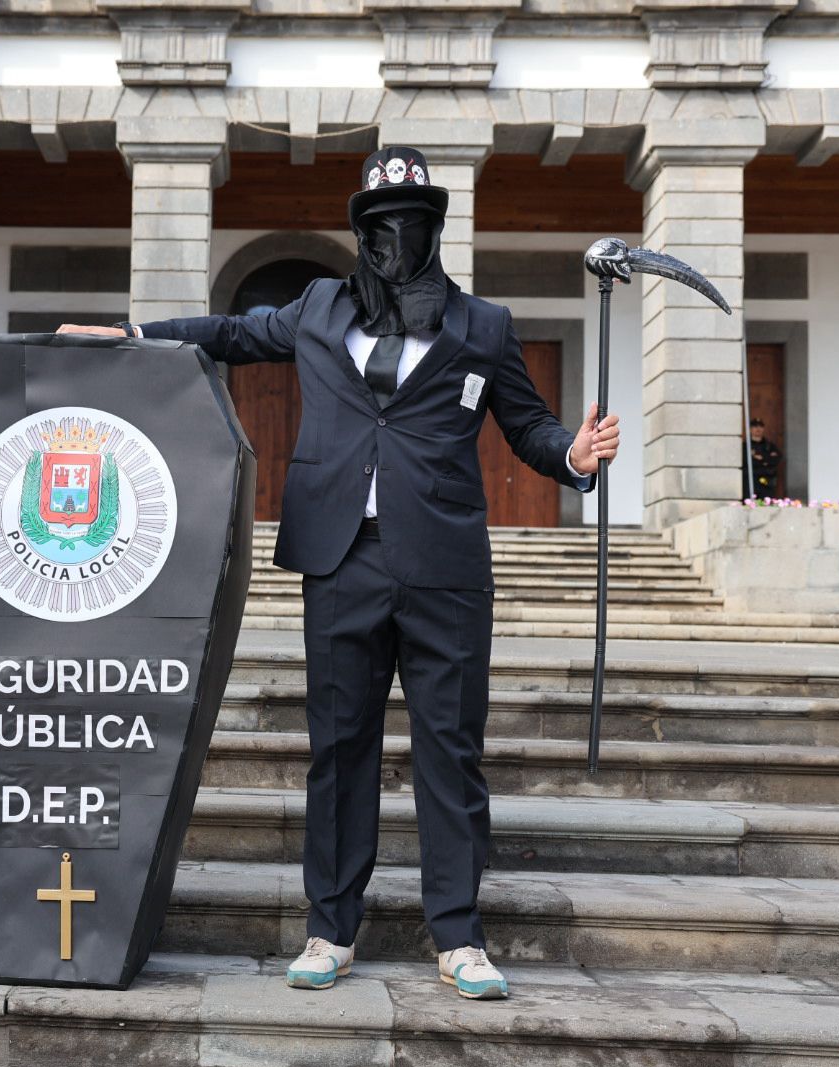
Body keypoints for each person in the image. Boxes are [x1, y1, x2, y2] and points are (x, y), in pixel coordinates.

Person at [59, 147, 619, 1003]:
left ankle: (460, 938)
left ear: (435, 229)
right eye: (382, 223)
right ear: (360, 229)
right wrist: (140, 337)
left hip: (444, 571)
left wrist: (574, 457)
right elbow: (235, 336)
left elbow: (531, 425)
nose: (399, 237)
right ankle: (330, 929)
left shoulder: (483, 327)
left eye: (415, 221)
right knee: (339, 751)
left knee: (451, 752)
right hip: (340, 560)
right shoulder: (319, 308)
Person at [747, 417, 783, 499]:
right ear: (750, 429)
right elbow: (746, 461)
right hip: (751, 481)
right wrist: (766, 459)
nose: (758, 429)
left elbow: (777, 459)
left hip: (766, 482)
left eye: (760, 426)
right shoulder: (746, 446)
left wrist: (761, 458)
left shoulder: (769, 446)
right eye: (755, 426)